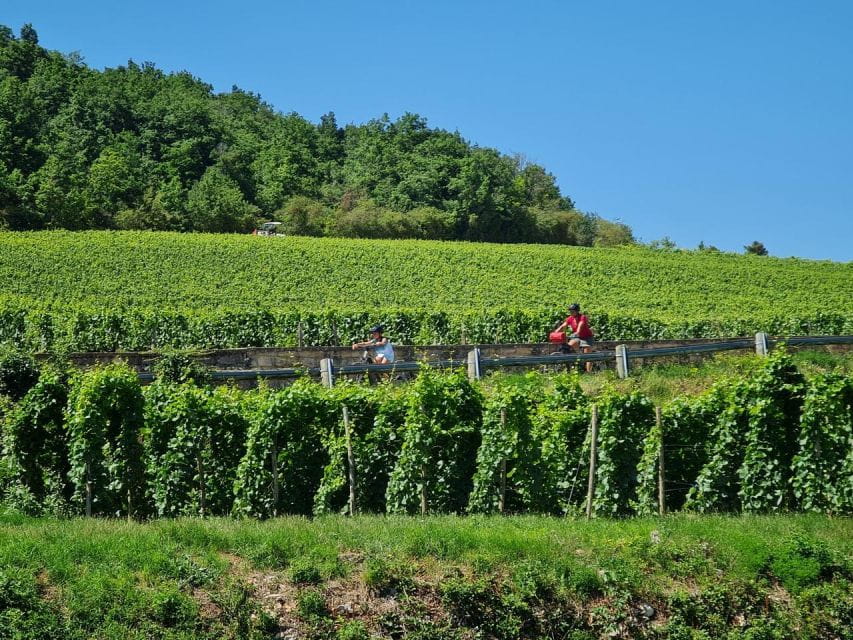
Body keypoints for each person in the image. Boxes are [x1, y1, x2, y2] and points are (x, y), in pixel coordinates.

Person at [554, 303, 595, 372]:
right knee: (568, 346)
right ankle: (576, 361)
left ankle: (589, 372)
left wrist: (577, 332)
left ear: (577, 311)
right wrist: (556, 332)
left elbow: (580, 325)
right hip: (577, 337)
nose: (571, 312)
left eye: (572, 311)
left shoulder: (582, 317)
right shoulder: (570, 318)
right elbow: (563, 326)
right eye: (570, 311)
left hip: (586, 338)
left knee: (588, 355)